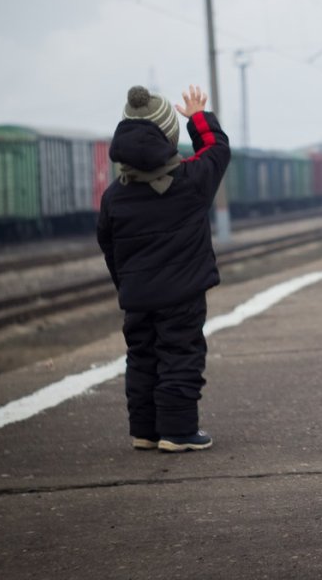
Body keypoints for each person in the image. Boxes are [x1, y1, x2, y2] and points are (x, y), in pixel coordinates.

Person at [97, 84, 231, 452]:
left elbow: (108, 246)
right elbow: (217, 150)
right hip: (182, 295)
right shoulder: (190, 181)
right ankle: (178, 430)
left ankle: (145, 431)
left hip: (137, 297)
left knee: (142, 358)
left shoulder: (114, 196)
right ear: (168, 134)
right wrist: (199, 117)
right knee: (180, 355)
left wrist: (127, 283)